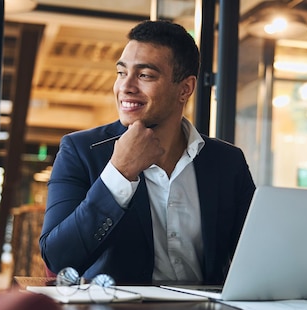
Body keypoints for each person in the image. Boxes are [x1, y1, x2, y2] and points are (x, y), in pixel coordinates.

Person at [40, 20, 255, 285]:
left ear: (185, 88)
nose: (125, 87)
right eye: (121, 73)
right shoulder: (80, 151)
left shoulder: (227, 162)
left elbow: (256, 254)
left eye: (145, 75)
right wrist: (119, 173)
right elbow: (59, 258)